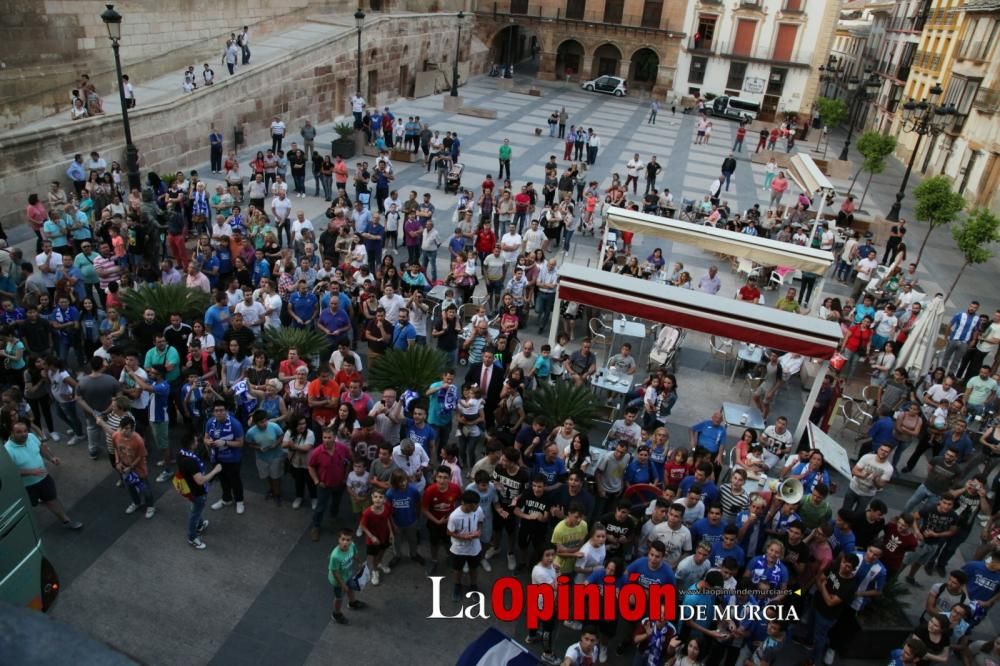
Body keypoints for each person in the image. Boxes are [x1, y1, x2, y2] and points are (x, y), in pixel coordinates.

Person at [4, 420, 83, 530]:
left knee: (51, 499)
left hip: (43, 478)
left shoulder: (31, 437)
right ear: (11, 433)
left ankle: (66, 520)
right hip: (27, 487)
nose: (24, 434)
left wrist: (51, 458)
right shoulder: (7, 450)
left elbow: (41, 448)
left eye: (25, 431)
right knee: (31, 505)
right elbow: (10, 472)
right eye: (19, 432)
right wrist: (31, 472)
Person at [446, 489, 485, 601]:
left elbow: (481, 521)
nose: (476, 506)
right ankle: (457, 585)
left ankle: (473, 586)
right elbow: (449, 532)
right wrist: (463, 537)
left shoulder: (478, 510)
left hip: (474, 548)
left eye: (477, 503)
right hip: (459, 549)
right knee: (458, 570)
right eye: (473, 505)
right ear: (464, 503)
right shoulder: (454, 516)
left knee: (474, 569)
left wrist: (479, 531)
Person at [327, 528, 367, 624]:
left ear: (351, 540)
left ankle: (352, 603)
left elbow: (355, 554)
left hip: (348, 574)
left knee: (351, 588)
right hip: (338, 581)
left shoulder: (352, 546)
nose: (345, 542)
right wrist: (342, 585)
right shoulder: (335, 556)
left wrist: (359, 563)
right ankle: (336, 614)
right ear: (339, 540)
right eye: (343, 539)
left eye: (348, 540)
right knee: (339, 598)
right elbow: (335, 572)